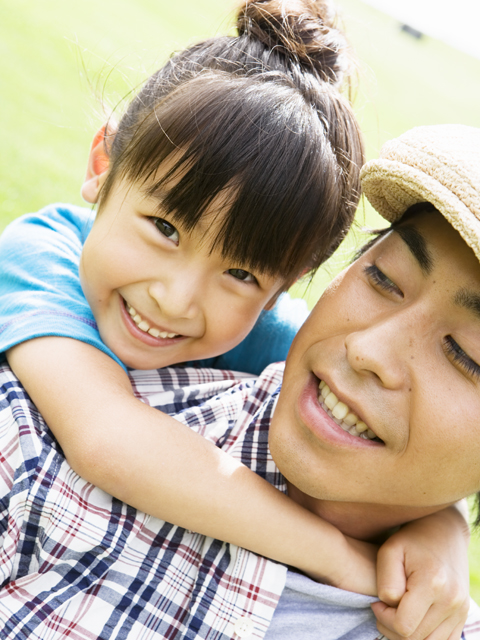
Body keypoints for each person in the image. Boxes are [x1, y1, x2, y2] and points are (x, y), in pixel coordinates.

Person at [1, 123, 480, 640]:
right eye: (384, 278)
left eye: (467, 355)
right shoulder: (35, 434)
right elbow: (101, 435)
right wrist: (337, 555)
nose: (366, 351)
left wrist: (444, 520)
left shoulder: (254, 328)